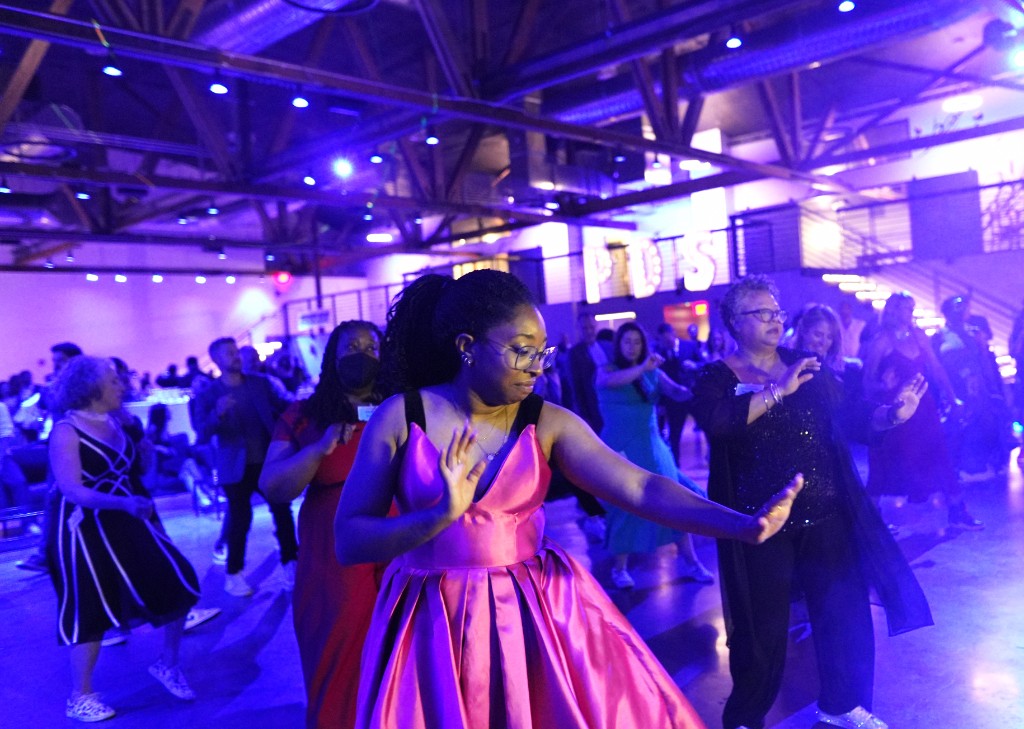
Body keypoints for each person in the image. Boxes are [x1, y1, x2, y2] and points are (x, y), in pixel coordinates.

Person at [334, 269, 803, 729]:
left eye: (542, 352)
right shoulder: (401, 417)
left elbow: (640, 486)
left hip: (528, 613)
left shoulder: (547, 421)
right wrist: (438, 517)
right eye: (521, 351)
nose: (537, 366)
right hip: (433, 618)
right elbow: (349, 540)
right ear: (467, 347)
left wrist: (741, 524)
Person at [689, 275, 934, 729]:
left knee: (843, 614)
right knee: (759, 629)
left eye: (776, 312)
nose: (773, 320)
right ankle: (745, 717)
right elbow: (720, 423)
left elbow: (851, 418)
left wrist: (890, 414)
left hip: (825, 511)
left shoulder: (806, 366)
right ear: (733, 322)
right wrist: (778, 389)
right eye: (761, 313)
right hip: (760, 523)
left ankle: (841, 704)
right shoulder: (716, 377)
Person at [46, 357, 200, 722]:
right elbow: (72, 490)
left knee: (177, 581)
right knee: (91, 609)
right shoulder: (67, 430)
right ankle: (79, 695)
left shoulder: (117, 422)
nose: (122, 386)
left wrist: (144, 458)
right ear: (90, 387)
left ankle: (167, 664)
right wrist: (124, 503)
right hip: (83, 531)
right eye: (113, 381)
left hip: (123, 521)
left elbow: (135, 473)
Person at [260, 321, 387, 729]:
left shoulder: (400, 407)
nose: (363, 353)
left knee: (401, 654)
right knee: (343, 652)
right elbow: (274, 486)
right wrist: (318, 449)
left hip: (401, 548)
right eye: (353, 346)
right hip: (336, 560)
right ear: (333, 356)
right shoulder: (304, 415)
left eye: (372, 346)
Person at [597, 321, 713, 589]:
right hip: (621, 449)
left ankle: (692, 562)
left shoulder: (653, 372)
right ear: (619, 345)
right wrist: (644, 368)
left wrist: (702, 384)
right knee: (625, 507)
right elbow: (612, 381)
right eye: (627, 342)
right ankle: (620, 568)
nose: (632, 347)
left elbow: (677, 393)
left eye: (637, 342)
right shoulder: (607, 370)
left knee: (672, 502)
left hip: (652, 447)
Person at [862, 293, 982, 528]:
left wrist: (952, 398)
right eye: (907, 308)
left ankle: (957, 510)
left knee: (939, 454)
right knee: (886, 460)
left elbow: (937, 369)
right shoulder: (882, 341)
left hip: (924, 407)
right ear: (894, 311)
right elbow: (866, 381)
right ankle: (871, 519)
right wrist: (883, 386)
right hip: (895, 409)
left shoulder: (918, 336)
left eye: (912, 307)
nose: (911, 312)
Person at [194, 337, 297, 596]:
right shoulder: (209, 395)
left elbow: (286, 406)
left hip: (267, 461)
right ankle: (234, 573)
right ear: (216, 361)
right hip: (234, 467)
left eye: (236, 352)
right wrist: (216, 413)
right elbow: (202, 434)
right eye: (229, 353)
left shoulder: (260, 384)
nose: (236, 356)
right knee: (240, 519)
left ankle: (291, 563)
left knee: (282, 512)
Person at [654, 322, 704, 465]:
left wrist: (695, 366)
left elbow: (704, 364)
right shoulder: (659, 352)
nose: (666, 344)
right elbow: (659, 381)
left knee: (707, 428)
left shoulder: (689, 346)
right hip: (673, 401)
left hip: (693, 396)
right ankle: (676, 468)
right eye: (662, 341)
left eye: (667, 340)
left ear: (673, 335)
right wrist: (661, 403)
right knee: (674, 435)